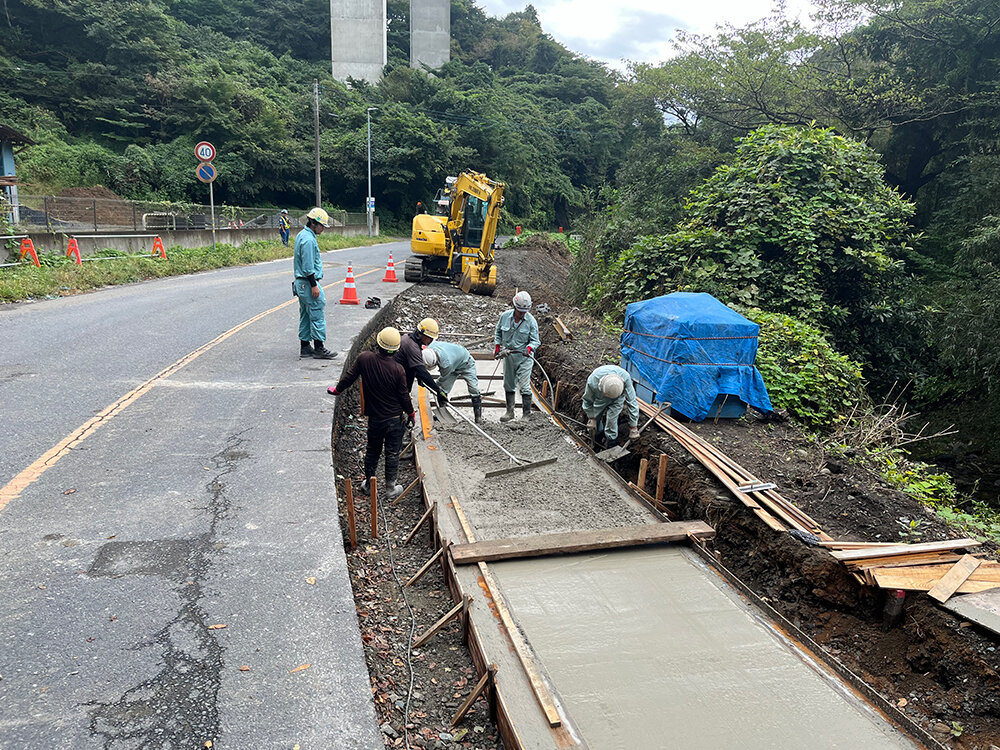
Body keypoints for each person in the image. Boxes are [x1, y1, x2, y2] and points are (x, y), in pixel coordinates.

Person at [328, 327, 414, 499]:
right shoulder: (398, 369)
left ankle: (369, 484)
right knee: (392, 453)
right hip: (394, 419)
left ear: (378, 343)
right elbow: (403, 396)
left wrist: (337, 390)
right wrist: (411, 413)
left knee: (373, 450)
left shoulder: (364, 359)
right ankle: (390, 488)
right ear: (396, 349)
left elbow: (349, 377)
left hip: (376, 419)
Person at [293, 207, 337, 360]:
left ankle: (305, 347)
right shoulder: (309, 240)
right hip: (308, 282)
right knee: (317, 313)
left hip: (301, 283)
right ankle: (319, 347)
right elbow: (307, 266)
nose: (323, 228)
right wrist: (314, 285)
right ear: (313, 223)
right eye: (322, 225)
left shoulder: (302, 235)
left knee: (305, 315)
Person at [494, 291, 541, 421]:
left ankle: (526, 414)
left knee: (524, 385)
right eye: (519, 311)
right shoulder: (505, 317)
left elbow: (535, 341)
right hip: (509, 355)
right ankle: (510, 412)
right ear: (514, 307)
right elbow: (498, 331)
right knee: (508, 383)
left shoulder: (531, 321)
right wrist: (498, 346)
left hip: (524, 357)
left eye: (524, 312)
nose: (521, 314)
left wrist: (529, 348)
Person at [582, 365, 640, 448]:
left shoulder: (625, 378)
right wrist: (591, 418)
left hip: (617, 400)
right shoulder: (593, 381)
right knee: (596, 419)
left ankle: (611, 444)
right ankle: (597, 441)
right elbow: (587, 401)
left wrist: (633, 426)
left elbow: (632, 402)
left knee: (612, 421)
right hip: (600, 399)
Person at [423, 341, 482, 422]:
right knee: (443, 389)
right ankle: (443, 413)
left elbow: (443, 379)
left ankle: (478, 417)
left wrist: (434, 387)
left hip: (466, 364)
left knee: (473, 389)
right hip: (454, 364)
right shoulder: (430, 347)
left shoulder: (447, 364)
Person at [394, 318, 449, 403]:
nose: (431, 341)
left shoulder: (408, 338)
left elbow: (413, 366)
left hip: (397, 376)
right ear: (422, 334)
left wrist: (419, 378)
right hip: (397, 381)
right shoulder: (412, 347)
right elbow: (421, 371)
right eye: (430, 338)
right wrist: (438, 390)